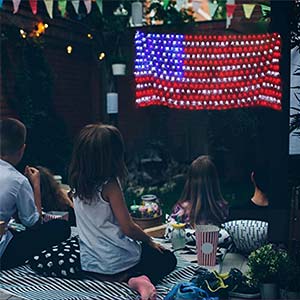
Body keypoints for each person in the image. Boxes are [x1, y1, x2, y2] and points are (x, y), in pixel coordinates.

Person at [68, 123, 177, 300]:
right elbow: (128, 228)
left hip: (91, 266)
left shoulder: (77, 183)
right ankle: (138, 280)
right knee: (167, 258)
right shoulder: (110, 185)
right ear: (113, 157)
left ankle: (121, 278)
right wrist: (149, 240)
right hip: (118, 263)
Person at [0, 118, 71, 270]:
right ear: (22, 149)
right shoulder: (18, 180)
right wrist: (36, 185)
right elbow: (33, 224)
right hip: (3, 255)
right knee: (61, 227)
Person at [169, 155, 228, 227]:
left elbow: (170, 231)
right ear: (214, 181)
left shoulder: (181, 210)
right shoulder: (221, 209)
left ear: (190, 181)